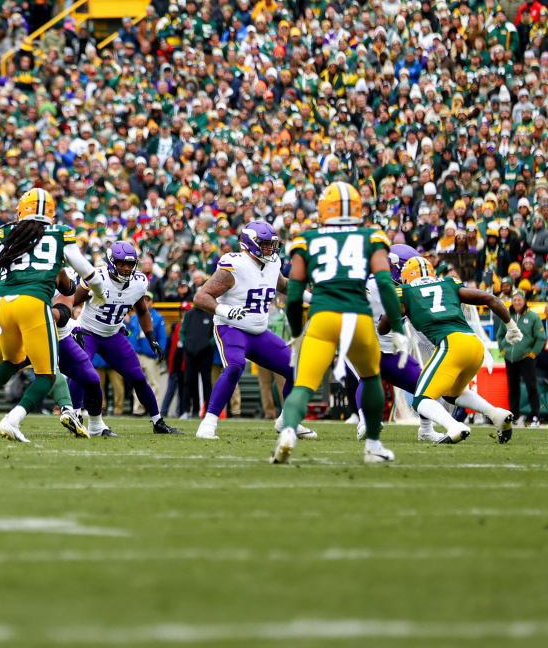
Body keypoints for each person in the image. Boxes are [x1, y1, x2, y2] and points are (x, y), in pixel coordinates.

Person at [0, 188, 105, 442]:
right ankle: (17, 418)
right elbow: (81, 277)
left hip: (2, 307)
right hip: (34, 307)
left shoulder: (8, 233)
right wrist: (99, 289)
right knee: (47, 373)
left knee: (6, 361)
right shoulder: (59, 235)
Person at [275, 182, 406, 464]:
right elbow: (385, 282)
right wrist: (397, 328)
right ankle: (372, 445)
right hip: (358, 317)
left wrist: (297, 331)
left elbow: (295, 293)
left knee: (304, 385)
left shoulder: (306, 239)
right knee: (371, 378)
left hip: (323, 318)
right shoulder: (372, 237)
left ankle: (287, 432)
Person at [191, 220, 309, 441]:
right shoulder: (235, 265)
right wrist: (224, 310)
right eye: (264, 244)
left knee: (295, 366)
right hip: (231, 328)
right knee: (235, 367)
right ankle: (208, 423)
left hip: (258, 331)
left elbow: (283, 285)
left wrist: (311, 297)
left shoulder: (273, 262)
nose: (269, 249)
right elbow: (200, 297)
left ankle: (287, 419)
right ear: (249, 244)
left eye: (271, 244)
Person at [393, 257, 519, 444]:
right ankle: (496, 414)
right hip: (474, 345)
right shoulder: (448, 282)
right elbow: (490, 298)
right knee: (452, 394)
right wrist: (512, 327)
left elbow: (384, 325)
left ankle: (454, 426)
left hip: (451, 344)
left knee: (420, 399)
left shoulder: (405, 291)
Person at [69, 241, 182, 434]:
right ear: (112, 262)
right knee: (81, 374)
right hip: (87, 332)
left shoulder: (139, 282)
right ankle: (75, 416)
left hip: (113, 334)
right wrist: (72, 328)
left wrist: (151, 337)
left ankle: (158, 422)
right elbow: (70, 302)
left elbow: (142, 311)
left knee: (138, 377)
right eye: (122, 263)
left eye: (130, 264)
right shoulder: (97, 278)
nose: (126, 268)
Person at [497, 292, 546, 426]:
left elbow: (541, 337)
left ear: (524, 301)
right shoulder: (506, 316)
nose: (517, 302)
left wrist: (533, 353)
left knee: (531, 386)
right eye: (515, 299)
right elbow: (500, 335)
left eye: (519, 299)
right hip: (510, 358)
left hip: (526, 358)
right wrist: (503, 349)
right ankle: (514, 416)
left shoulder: (533, 317)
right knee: (513, 388)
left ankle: (535, 416)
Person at [127, 294, 167, 410]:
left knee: (154, 382)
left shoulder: (158, 317)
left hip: (150, 355)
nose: (145, 302)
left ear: (152, 302)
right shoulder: (134, 317)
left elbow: (162, 337)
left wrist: (160, 352)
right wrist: (130, 343)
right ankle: (138, 408)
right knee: (137, 382)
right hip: (136, 354)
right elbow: (129, 332)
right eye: (143, 299)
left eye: (148, 300)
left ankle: (155, 409)